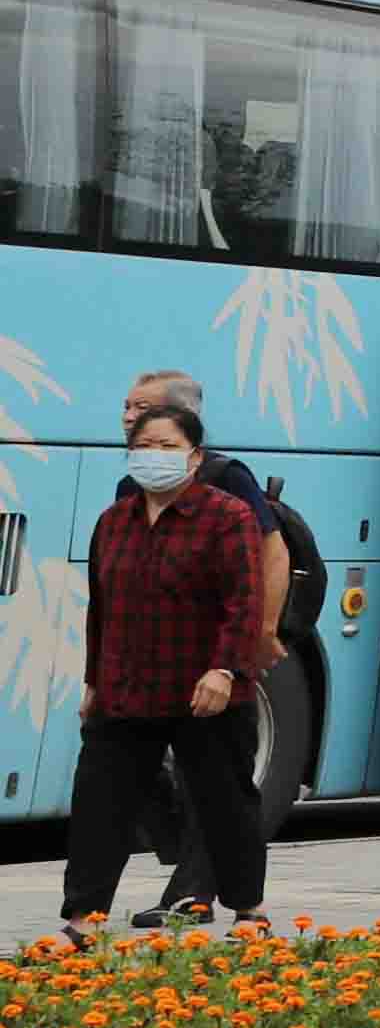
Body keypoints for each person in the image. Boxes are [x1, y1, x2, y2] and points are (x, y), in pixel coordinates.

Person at [70, 394, 276, 932]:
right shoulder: (114, 521)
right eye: (143, 446)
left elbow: (244, 601)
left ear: (194, 456)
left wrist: (225, 669)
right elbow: (102, 607)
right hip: (126, 688)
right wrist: (93, 680)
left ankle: (249, 910)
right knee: (100, 803)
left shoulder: (226, 516)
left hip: (205, 690)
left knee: (225, 802)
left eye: (166, 445)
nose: (153, 455)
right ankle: (83, 920)